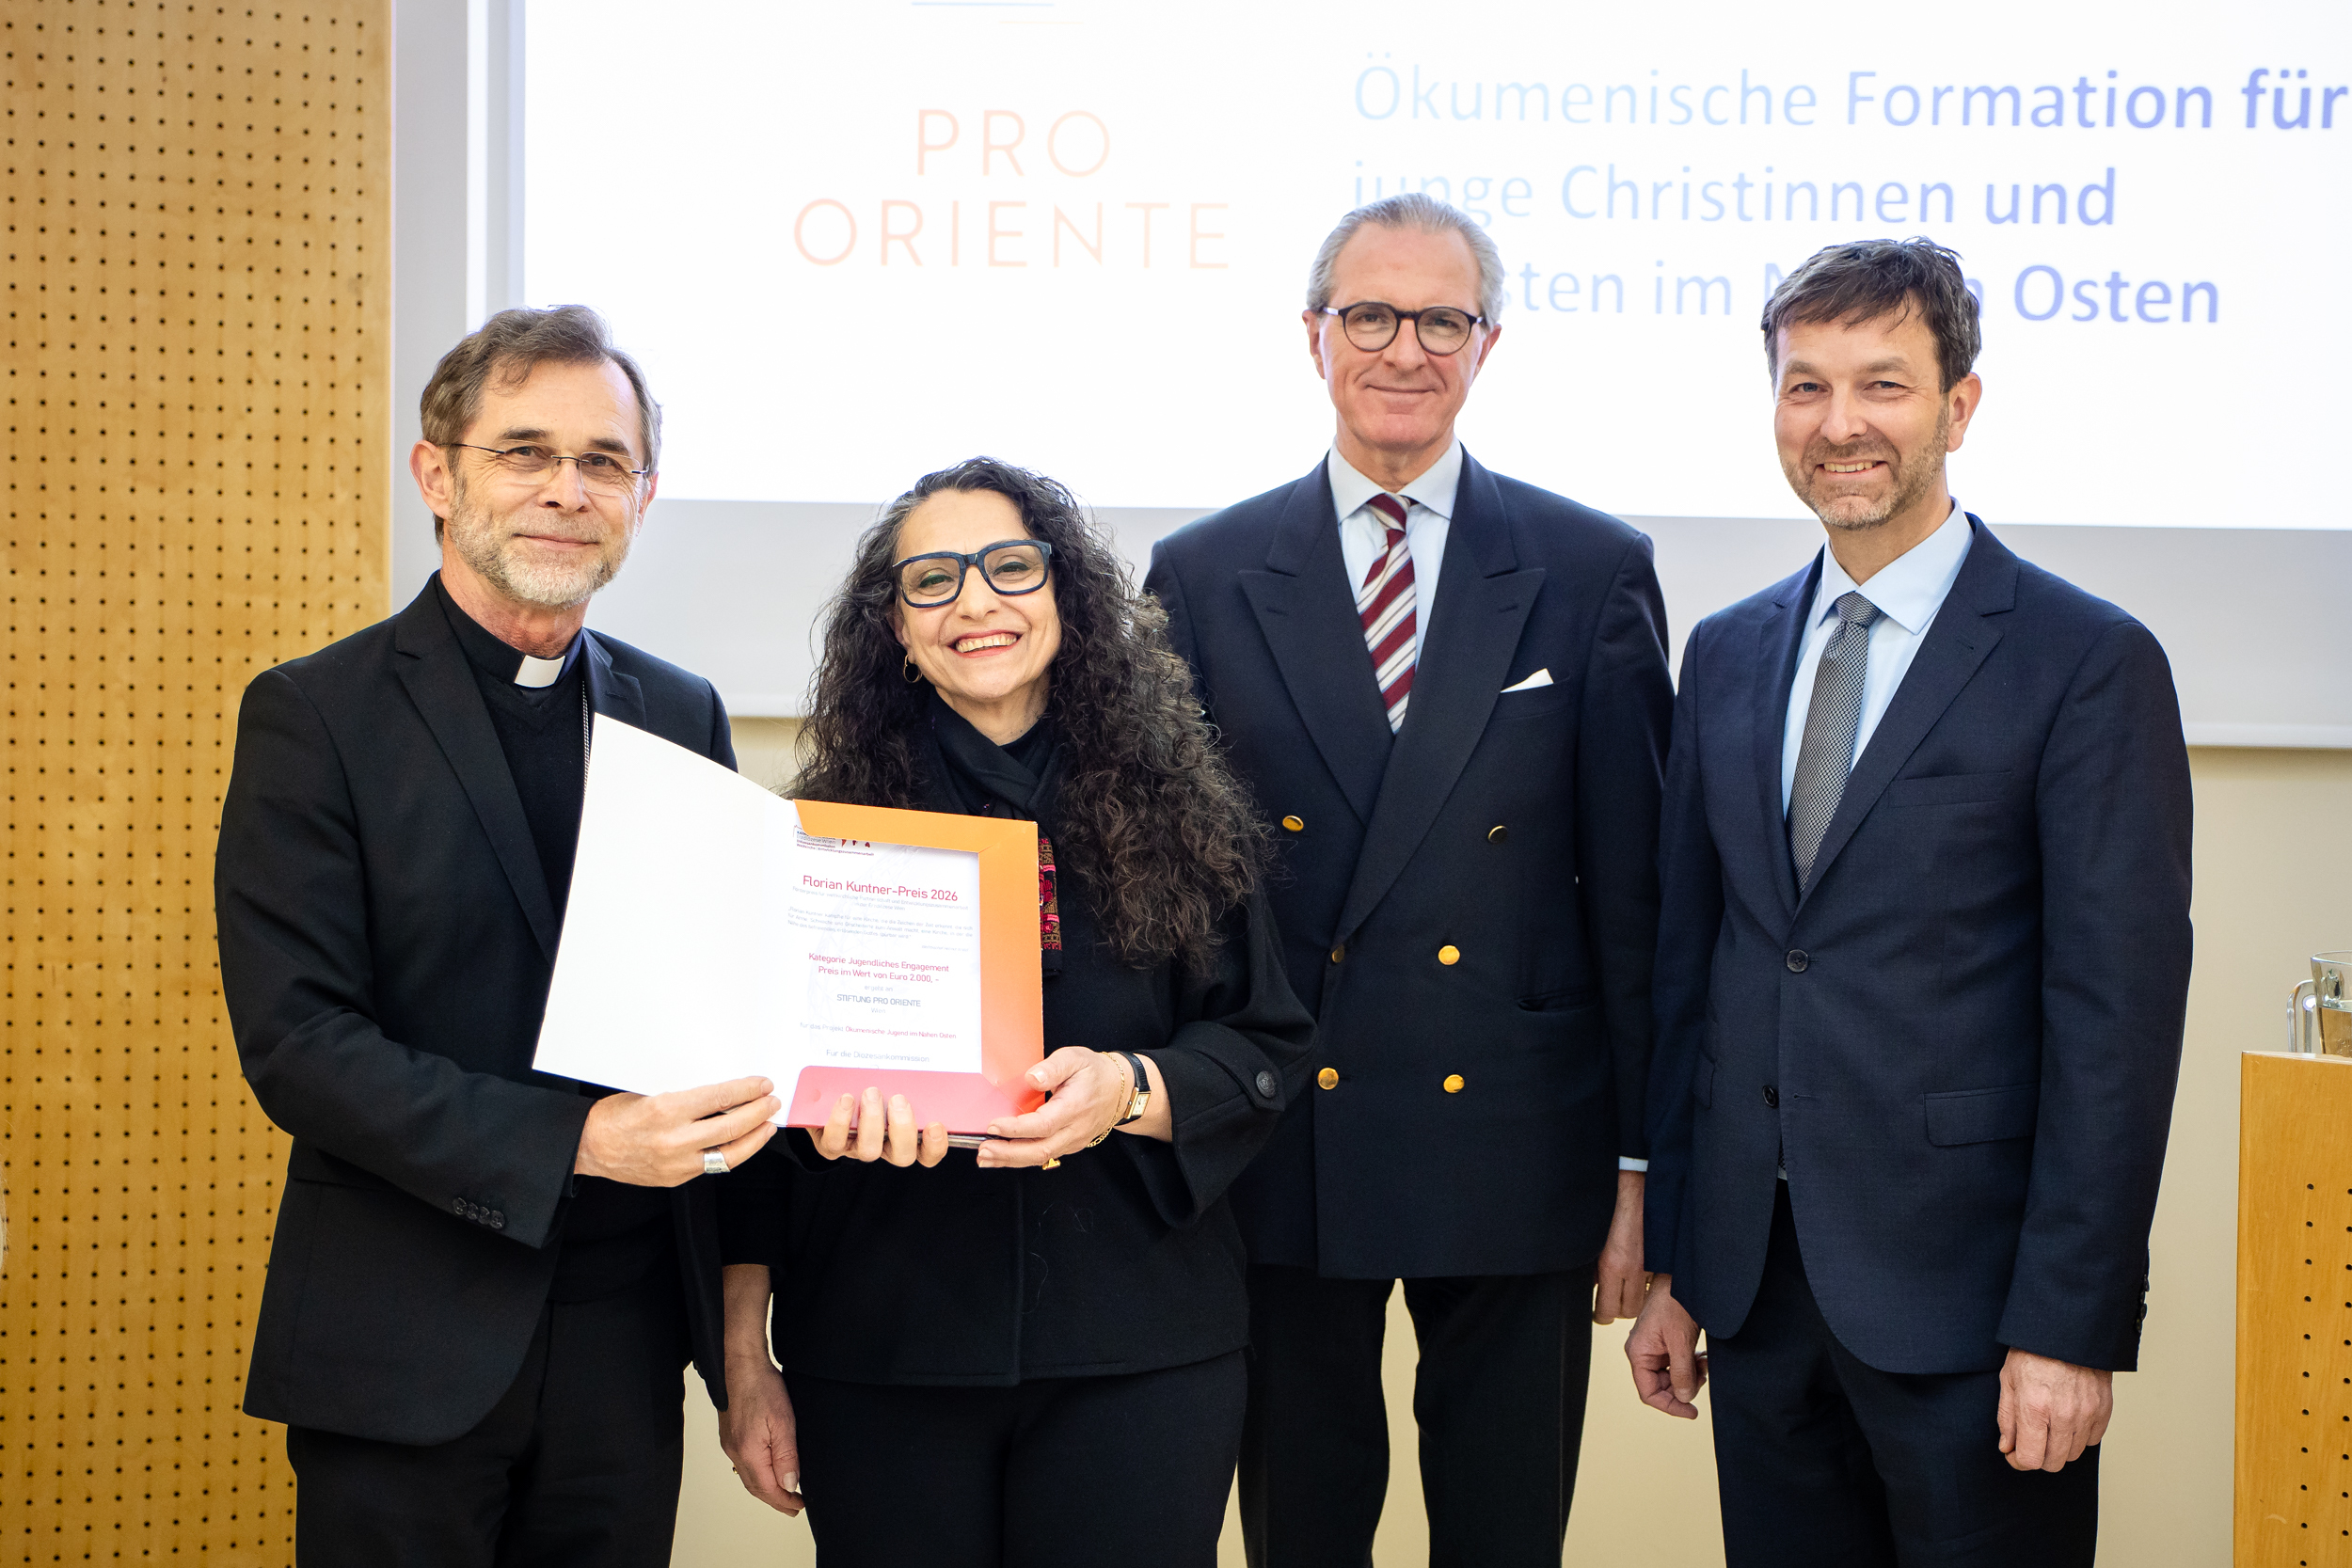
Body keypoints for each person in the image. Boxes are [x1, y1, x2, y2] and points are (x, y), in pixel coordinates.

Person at [1627, 238, 2193, 1566]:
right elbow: (1698, 972)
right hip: (1756, 1295)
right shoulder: (1727, 651)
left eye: (1882, 384)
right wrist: (1678, 1267)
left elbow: (2114, 1027)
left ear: (1960, 404)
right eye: (1806, 386)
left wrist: (2069, 1325)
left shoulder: (2086, 661)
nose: (1840, 424)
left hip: (1976, 1314)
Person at [1142, 194, 1676, 1565]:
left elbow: (1635, 898)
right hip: (1284, 1131)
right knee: (1302, 1527)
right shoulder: (1204, 573)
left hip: (1519, 1130)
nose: (1404, 348)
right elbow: (1173, 898)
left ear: (1487, 344)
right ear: (1313, 335)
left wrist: (1640, 1165)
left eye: (1442, 320)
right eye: (1371, 314)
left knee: (1506, 1531)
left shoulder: (1590, 566)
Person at [215, 306, 781, 1567]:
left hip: (624, 1344)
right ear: (437, 472)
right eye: (525, 451)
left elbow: (721, 1020)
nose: (566, 490)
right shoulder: (316, 713)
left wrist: (742, 1345)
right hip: (402, 1340)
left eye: (603, 461)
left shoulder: (681, 711)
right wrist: (576, 1140)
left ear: (642, 496)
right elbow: (301, 1044)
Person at [714, 457, 1317, 1568]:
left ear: (1064, 596)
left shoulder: (1185, 811)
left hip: (1142, 1347)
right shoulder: (816, 835)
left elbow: (1264, 1044)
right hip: (880, 1350)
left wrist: (1129, 1089)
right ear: (896, 631)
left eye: (1008, 566)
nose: (975, 601)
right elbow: (748, 1132)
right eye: (932, 580)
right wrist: (744, 1363)